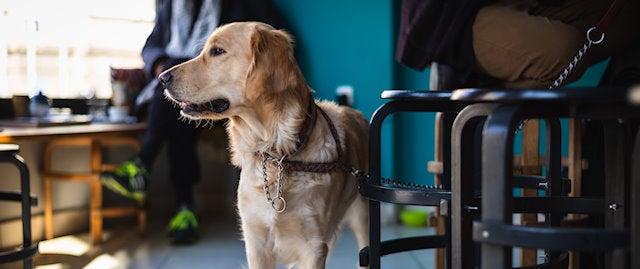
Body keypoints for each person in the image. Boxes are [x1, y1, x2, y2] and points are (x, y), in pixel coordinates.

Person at [100, 0, 288, 244]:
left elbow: (276, 40)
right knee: (180, 104)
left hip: (224, 94)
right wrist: (160, 64)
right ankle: (183, 208)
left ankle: (153, 171)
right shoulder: (171, 4)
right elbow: (151, 47)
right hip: (175, 90)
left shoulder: (242, 5)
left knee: (179, 100)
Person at [396, 0, 640, 90]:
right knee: (565, 51)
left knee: (628, 15)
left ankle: (608, 143)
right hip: (456, 15)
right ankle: (477, 88)